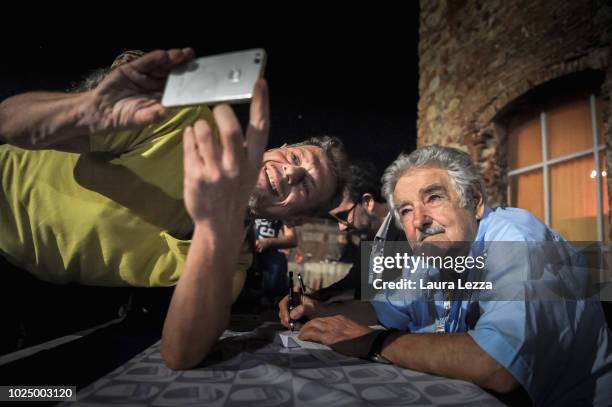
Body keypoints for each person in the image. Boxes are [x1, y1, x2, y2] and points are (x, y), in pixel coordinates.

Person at [0, 48, 349, 369]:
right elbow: (8, 121)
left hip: (23, 277)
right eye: (295, 157)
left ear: (296, 218)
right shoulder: (184, 122)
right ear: (278, 147)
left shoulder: (231, 264)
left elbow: (180, 354)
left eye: (305, 184)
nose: (291, 171)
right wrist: (85, 108)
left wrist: (215, 226)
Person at [279, 145, 612, 405]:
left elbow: (496, 365)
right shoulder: (430, 257)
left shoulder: (516, 238)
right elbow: (382, 308)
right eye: (406, 210)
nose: (419, 220)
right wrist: (320, 310)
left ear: (476, 202)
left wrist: (372, 342)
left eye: (434, 198)